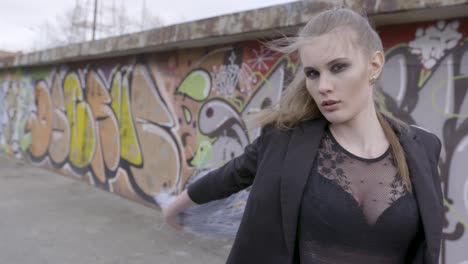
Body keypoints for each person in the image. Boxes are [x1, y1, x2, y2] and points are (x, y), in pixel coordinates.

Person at [163, 7, 443, 264]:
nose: (323, 86)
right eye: (312, 73)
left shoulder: (422, 148)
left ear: (374, 65)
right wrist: (175, 205)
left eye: (338, 67)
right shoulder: (284, 141)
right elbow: (232, 174)